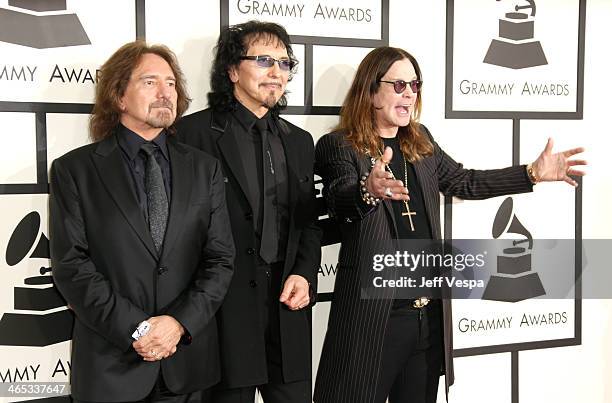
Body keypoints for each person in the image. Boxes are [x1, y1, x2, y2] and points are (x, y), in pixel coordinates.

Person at [313, 46, 586, 403]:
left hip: (426, 319)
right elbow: (339, 197)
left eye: (415, 84)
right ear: (370, 89)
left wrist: (532, 173)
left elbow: (464, 182)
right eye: (398, 85)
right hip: (374, 320)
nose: (409, 93)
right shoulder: (339, 145)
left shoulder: (420, 141)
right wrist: (369, 190)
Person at [49, 41, 235, 403]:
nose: (166, 92)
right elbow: (72, 267)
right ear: (119, 95)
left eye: (171, 83)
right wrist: (139, 330)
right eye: (150, 82)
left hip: (186, 366)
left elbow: (220, 259)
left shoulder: (204, 168)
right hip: (112, 366)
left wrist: (178, 324)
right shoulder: (76, 171)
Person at [176, 21, 321, 403]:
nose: (276, 72)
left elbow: (307, 223)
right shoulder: (192, 135)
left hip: (287, 312)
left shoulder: (301, 141)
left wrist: (304, 274)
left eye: (284, 63)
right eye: (262, 60)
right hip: (222, 314)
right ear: (231, 70)